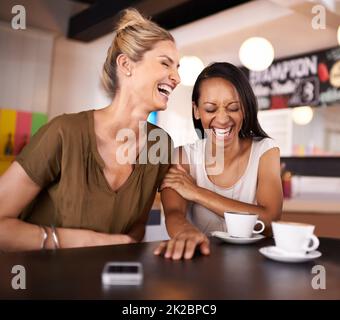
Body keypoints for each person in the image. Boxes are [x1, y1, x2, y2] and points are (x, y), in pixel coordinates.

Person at [0, 8, 180, 252]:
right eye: (165, 64)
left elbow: (136, 228)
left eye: (177, 67)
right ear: (126, 64)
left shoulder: (160, 143)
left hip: (110, 285)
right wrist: (87, 241)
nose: (176, 78)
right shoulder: (63, 133)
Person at [154, 62, 283, 260]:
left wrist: (197, 192)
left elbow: (269, 220)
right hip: (199, 260)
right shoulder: (182, 157)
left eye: (233, 108)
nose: (222, 119)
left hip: (252, 264)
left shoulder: (265, 151)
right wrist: (186, 233)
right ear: (196, 110)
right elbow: (173, 213)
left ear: (245, 109)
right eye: (210, 109)